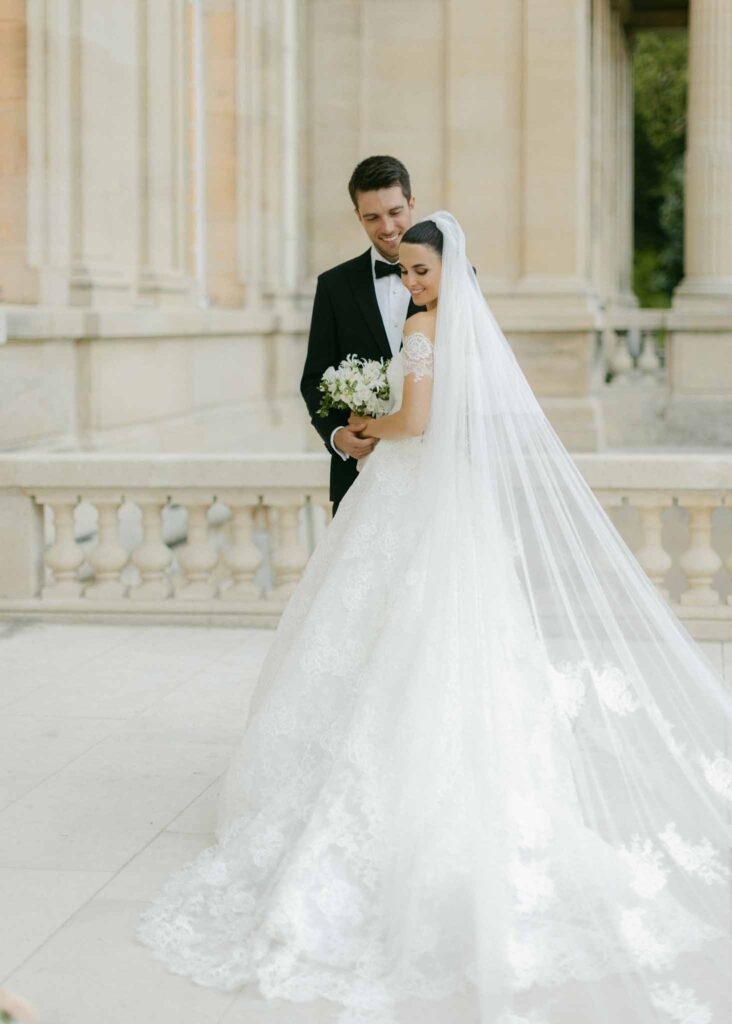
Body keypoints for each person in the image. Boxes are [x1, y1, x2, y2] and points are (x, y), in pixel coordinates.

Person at [137, 213, 732, 1024]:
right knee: (422, 639)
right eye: (407, 270)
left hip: (407, 493)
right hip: (450, 504)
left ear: (446, 267)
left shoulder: (424, 325)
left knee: (396, 635)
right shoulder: (470, 326)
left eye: (421, 269)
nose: (413, 282)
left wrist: (366, 426)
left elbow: (415, 424)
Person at [300, 154, 425, 516]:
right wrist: (337, 435)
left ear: (412, 203)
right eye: (372, 217)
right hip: (358, 479)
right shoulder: (334, 286)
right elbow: (313, 379)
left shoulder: (456, 279)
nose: (386, 227)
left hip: (433, 476)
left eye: (395, 211)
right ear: (358, 216)